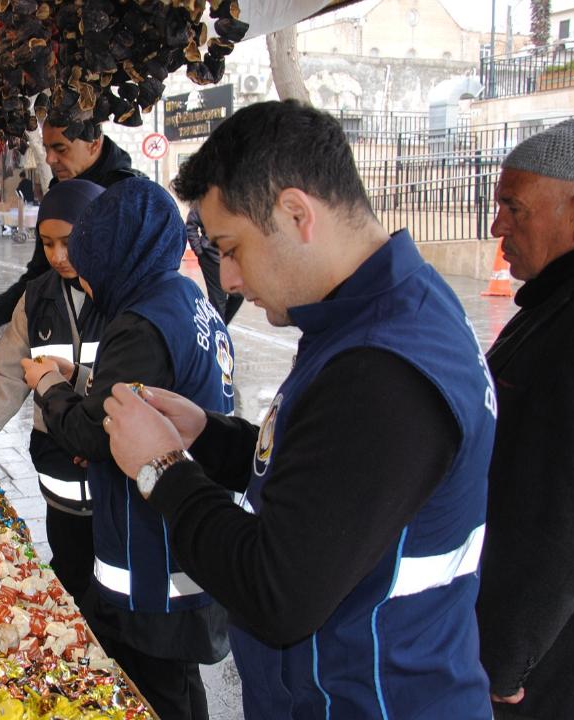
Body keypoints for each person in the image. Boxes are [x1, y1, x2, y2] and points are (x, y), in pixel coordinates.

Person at [100, 101, 497, 719]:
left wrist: (163, 469)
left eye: (230, 247)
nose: (225, 277)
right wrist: (208, 436)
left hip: (369, 700)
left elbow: (273, 594)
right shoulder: (380, 309)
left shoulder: (383, 368)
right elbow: (322, 477)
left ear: (295, 213)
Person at [23, 178, 232, 719]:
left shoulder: (139, 322)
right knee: (173, 684)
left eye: (89, 262)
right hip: (179, 549)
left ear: (119, 256)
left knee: (158, 693)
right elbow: (152, 389)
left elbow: (99, 434)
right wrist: (86, 380)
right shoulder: (184, 296)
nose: (85, 280)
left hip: (152, 562)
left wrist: (50, 389)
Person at [475, 119, 574, 720]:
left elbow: (573, 513)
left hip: (554, 657)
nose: (497, 228)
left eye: (514, 208)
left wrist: (508, 654)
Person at [0, 179, 106, 599]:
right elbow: (7, 376)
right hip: (60, 481)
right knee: (69, 577)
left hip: (115, 483)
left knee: (114, 591)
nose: (58, 256)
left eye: (68, 242)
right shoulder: (37, 298)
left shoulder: (124, 294)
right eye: (47, 244)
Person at [0, 122, 144, 328]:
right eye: (46, 148)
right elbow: (39, 273)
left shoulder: (134, 197)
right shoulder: (57, 192)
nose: (50, 159)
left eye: (60, 149)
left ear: (94, 144)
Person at [186, 207, 243, 324]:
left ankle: (220, 328)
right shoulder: (205, 197)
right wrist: (199, 251)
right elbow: (191, 225)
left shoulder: (236, 196)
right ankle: (218, 333)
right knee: (218, 301)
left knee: (238, 294)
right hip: (211, 259)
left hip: (233, 258)